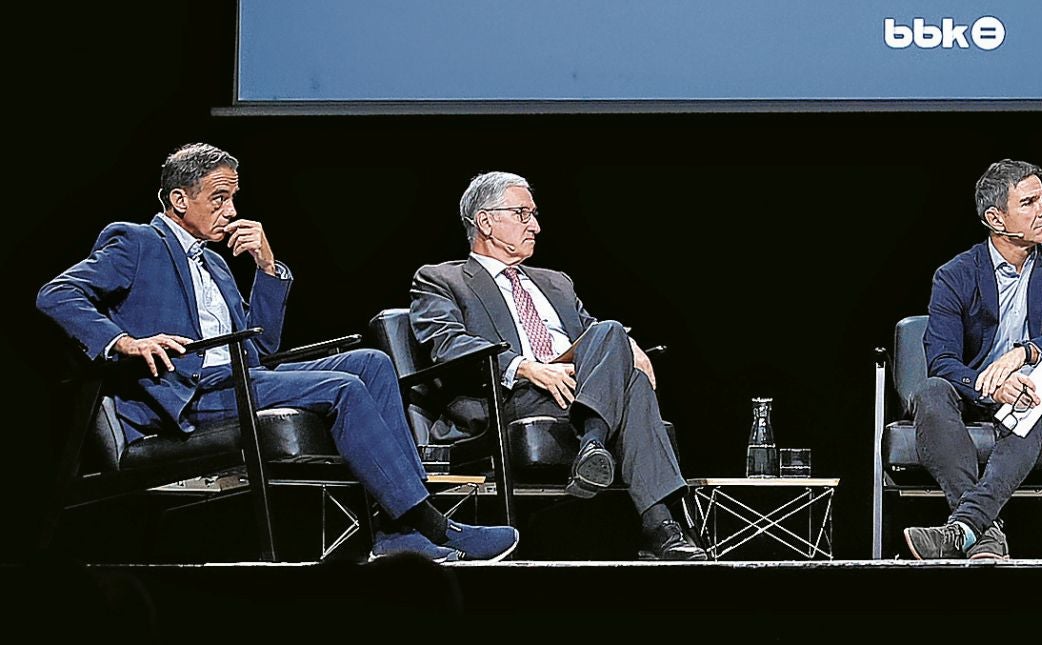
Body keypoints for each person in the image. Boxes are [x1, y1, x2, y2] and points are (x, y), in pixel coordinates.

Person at [36, 143, 519, 562]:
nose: (230, 210)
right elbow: (57, 294)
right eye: (218, 198)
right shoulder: (137, 242)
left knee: (370, 362)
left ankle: (397, 532)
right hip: (184, 392)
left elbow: (262, 347)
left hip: (238, 379)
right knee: (343, 388)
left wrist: (268, 268)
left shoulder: (219, 267)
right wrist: (125, 341)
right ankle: (429, 524)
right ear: (180, 200)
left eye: (233, 198)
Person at [408, 171, 707, 560]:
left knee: (613, 335)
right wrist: (525, 367)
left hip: (578, 388)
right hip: (510, 398)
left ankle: (594, 445)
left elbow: (596, 339)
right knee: (623, 369)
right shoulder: (441, 279)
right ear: (485, 221)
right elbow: (446, 343)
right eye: (522, 214)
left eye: (533, 214)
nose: (535, 225)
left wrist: (628, 346)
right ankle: (658, 526)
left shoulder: (557, 282)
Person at [902, 159, 1042, 560]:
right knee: (930, 391)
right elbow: (941, 360)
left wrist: (1024, 354)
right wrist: (992, 387)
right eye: (1029, 202)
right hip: (975, 396)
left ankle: (962, 530)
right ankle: (983, 532)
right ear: (996, 218)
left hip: (1037, 395)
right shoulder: (955, 274)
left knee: (1036, 399)